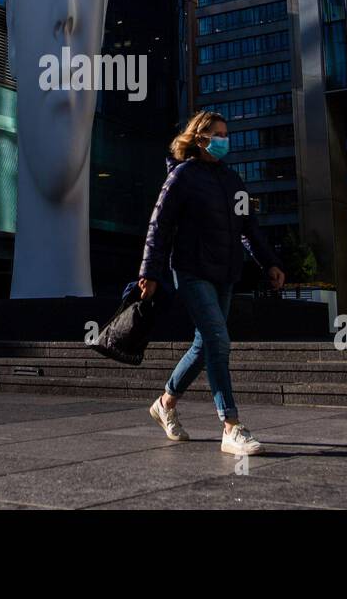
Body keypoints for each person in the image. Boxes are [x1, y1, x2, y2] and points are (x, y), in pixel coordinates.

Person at [137, 110, 286, 455]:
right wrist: (150, 271)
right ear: (199, 137)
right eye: (216, 134)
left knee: (205, 345)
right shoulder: (183, 176)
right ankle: (231, 426)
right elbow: (159, 226)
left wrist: (271, 264)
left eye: (226, 134)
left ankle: (165, 402)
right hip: (192, 270)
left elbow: (250, 230)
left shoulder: (233, 181)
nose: (223, 140)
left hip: (226, 272)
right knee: (219, 339)